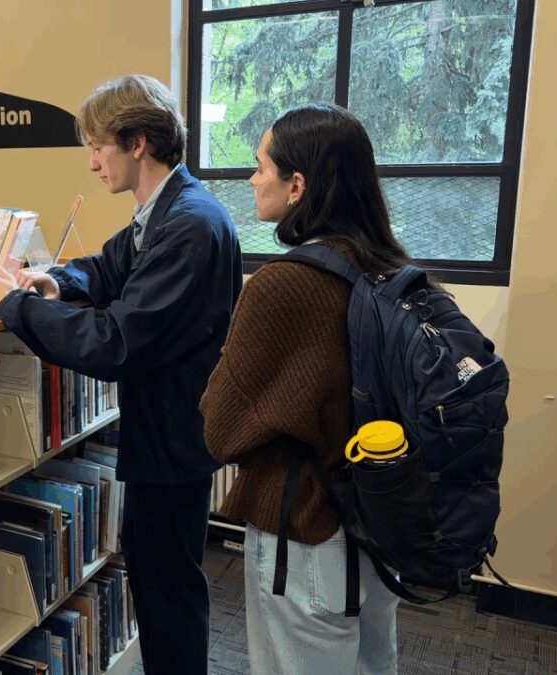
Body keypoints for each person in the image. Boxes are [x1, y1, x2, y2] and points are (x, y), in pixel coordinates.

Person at [0, 74, 242, 675]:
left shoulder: (189, 224)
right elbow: (109, 265)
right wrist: (55, 281)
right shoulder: (169, 208)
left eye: (97, 147)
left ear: (137, 143)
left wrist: (12, 306)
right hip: (167, 433)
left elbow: (116, 342)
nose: (92, 163)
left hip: (174, 440)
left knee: (168, 592)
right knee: (157, 577)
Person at [199, 103, 412, 674]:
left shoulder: (284, 286)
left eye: (260, 166)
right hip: (381, 524)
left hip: (307, 533)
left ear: (297, 185)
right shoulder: (393, 270)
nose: (251, 179)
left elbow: (220, 430)